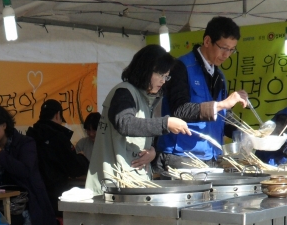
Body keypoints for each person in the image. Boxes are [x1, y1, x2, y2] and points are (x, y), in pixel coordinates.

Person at [86, 44, 191, 195]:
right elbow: (124, 123)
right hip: (113, 183)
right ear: (145, 69)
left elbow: (144, 132)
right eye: (160, 75)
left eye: (166, 76)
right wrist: (165, 123)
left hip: (133, 181)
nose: (163, 81)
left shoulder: (147, 97)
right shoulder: (124, 92)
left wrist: (153, 151)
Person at [155, 16, 249, 171]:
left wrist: (246, 134)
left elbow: (223, 117)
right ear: (207, 41)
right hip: (181, 156)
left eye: (232, 50)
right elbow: (179, 110)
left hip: (211, 156)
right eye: (224, 48)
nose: (227, 55)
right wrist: (221, 104)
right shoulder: (181, 67)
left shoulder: (219, 76)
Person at [26, 99, 89, 214]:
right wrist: (82, 158)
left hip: (34, 195)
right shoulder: (58, 137)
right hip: (56, 195)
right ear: (57, 115)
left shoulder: (30, 135)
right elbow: (74, 168)